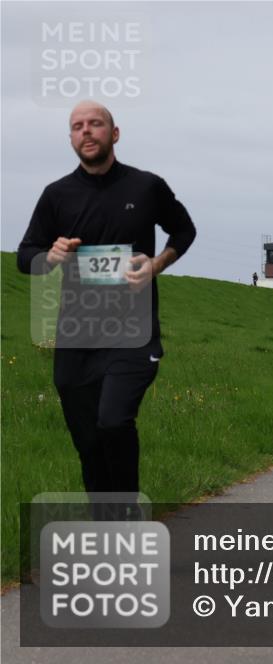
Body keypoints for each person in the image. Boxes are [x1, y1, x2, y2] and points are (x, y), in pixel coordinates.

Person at [16, 101, 196, 518]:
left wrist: (155, 265)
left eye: (95, 124)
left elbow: (184, 230)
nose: (86, 132)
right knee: (88, 439)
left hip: (134, 333)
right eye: (77, 127)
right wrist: (50, 255)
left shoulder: (146, 187)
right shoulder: (56, 195)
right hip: (76, 335)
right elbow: (26, 257)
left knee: (114, 420)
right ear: (71, 139)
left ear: (114, 134)